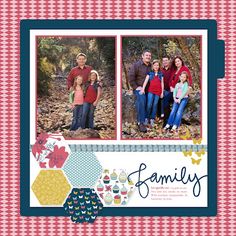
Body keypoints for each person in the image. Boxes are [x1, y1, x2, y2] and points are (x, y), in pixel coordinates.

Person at [128, 50, 152, 132]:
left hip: (149, 89)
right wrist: (136, 87)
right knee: (141, 100)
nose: (148, 57)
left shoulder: (151, 66)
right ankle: (140, 123)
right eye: (146, 55)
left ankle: (148, 119)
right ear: (142, 56)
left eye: (149, 56)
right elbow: (131, 77)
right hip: (139, 88)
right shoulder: (136, 65)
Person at [141, 60, 164, 127]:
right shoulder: (150, 73)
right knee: (149, 104)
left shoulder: (161, 74)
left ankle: (152, 119)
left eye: (157, 65)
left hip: (158, 92)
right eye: (155, 65)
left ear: (159, 66)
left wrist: (162, 92)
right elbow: (145, 81)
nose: (156, 66)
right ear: (153, 66)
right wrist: (143, 89)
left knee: (155, 105)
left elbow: (162, 83)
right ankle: (146, 118)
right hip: (151, 91)